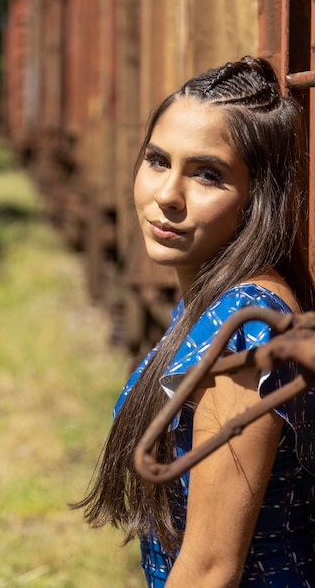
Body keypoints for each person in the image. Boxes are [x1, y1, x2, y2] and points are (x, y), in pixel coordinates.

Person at [73, 56, 315, 586]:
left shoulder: (248, 332)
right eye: (158, 161)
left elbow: (210, 570)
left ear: (258, 197)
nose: (166, 197)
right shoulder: (211, 301)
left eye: (207, 174)